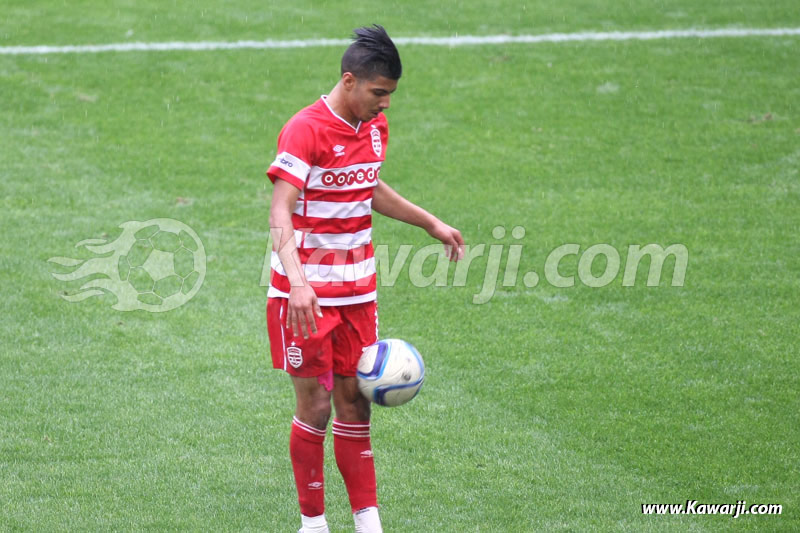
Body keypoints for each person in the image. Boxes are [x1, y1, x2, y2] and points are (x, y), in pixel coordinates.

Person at [265, 25, 464, 533]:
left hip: (360, 292)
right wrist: (299, 282)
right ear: (349, 81)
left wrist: (429, 221)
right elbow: (280, 213)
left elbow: (368, 186)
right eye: (380, 94)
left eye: (391, 96)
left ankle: (368, 521)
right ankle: (313, 523)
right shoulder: (304, 130)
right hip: (304, 298)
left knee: (356, 403)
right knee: (316, 406)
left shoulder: (374, 127)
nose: (386, 105)